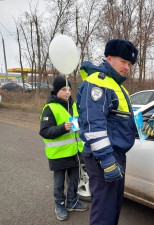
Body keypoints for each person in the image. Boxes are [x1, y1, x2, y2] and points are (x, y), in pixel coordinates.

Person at [76, 38, 138, 225]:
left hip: (115, 156)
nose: (127, 67)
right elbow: (93, 125)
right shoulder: (97, 83)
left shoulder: (117, 86)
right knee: (103, 213)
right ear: (109, 58)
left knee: (113, 209)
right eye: (123, 61)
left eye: (129, 63)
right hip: (102, 158)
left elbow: (119, 122)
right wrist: (107, 161)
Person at [39, 76, 88, 221]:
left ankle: (72, 202)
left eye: (69, 89)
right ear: (56, 91)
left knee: (74, 179)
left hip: (75, 152)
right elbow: (44, 131)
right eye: (63, 89)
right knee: (59, 182)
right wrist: (62, 128)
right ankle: (60, 204)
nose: (67, 93)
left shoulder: (73, 105)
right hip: (58, 154)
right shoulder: (50, 108)